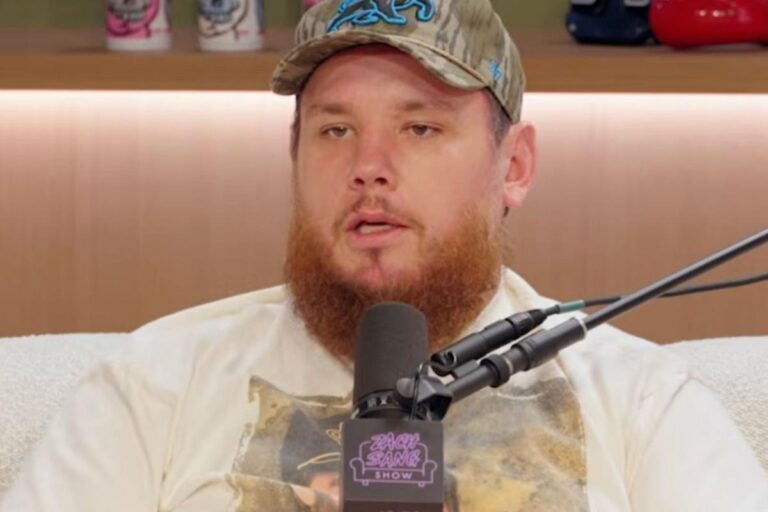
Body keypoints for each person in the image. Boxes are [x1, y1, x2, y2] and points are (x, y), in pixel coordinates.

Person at [2, 1, 766, 511]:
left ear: (515, 166)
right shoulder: (151, 388)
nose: (369, 167)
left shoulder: (644, 404)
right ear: (294, 156)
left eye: (420, 129)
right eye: (335, 130)